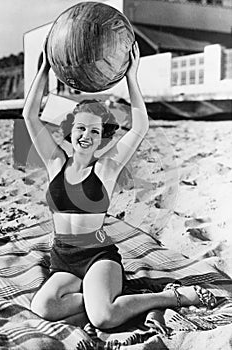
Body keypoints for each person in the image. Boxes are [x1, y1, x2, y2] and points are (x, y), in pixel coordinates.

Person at [23, 39, 216, 334]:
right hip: (63, 259)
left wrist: (131, 77)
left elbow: (140, 127)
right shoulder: (55, 163)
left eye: (94, 131)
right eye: (80, 128)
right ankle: (101, 296)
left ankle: (170, 296)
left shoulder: (106, 168)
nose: (86, 136)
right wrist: (45, 68)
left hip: (97, 256)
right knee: (44, 307)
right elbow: (29, 115)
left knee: (104, 318)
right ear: (69, 131)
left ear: (101, 138)